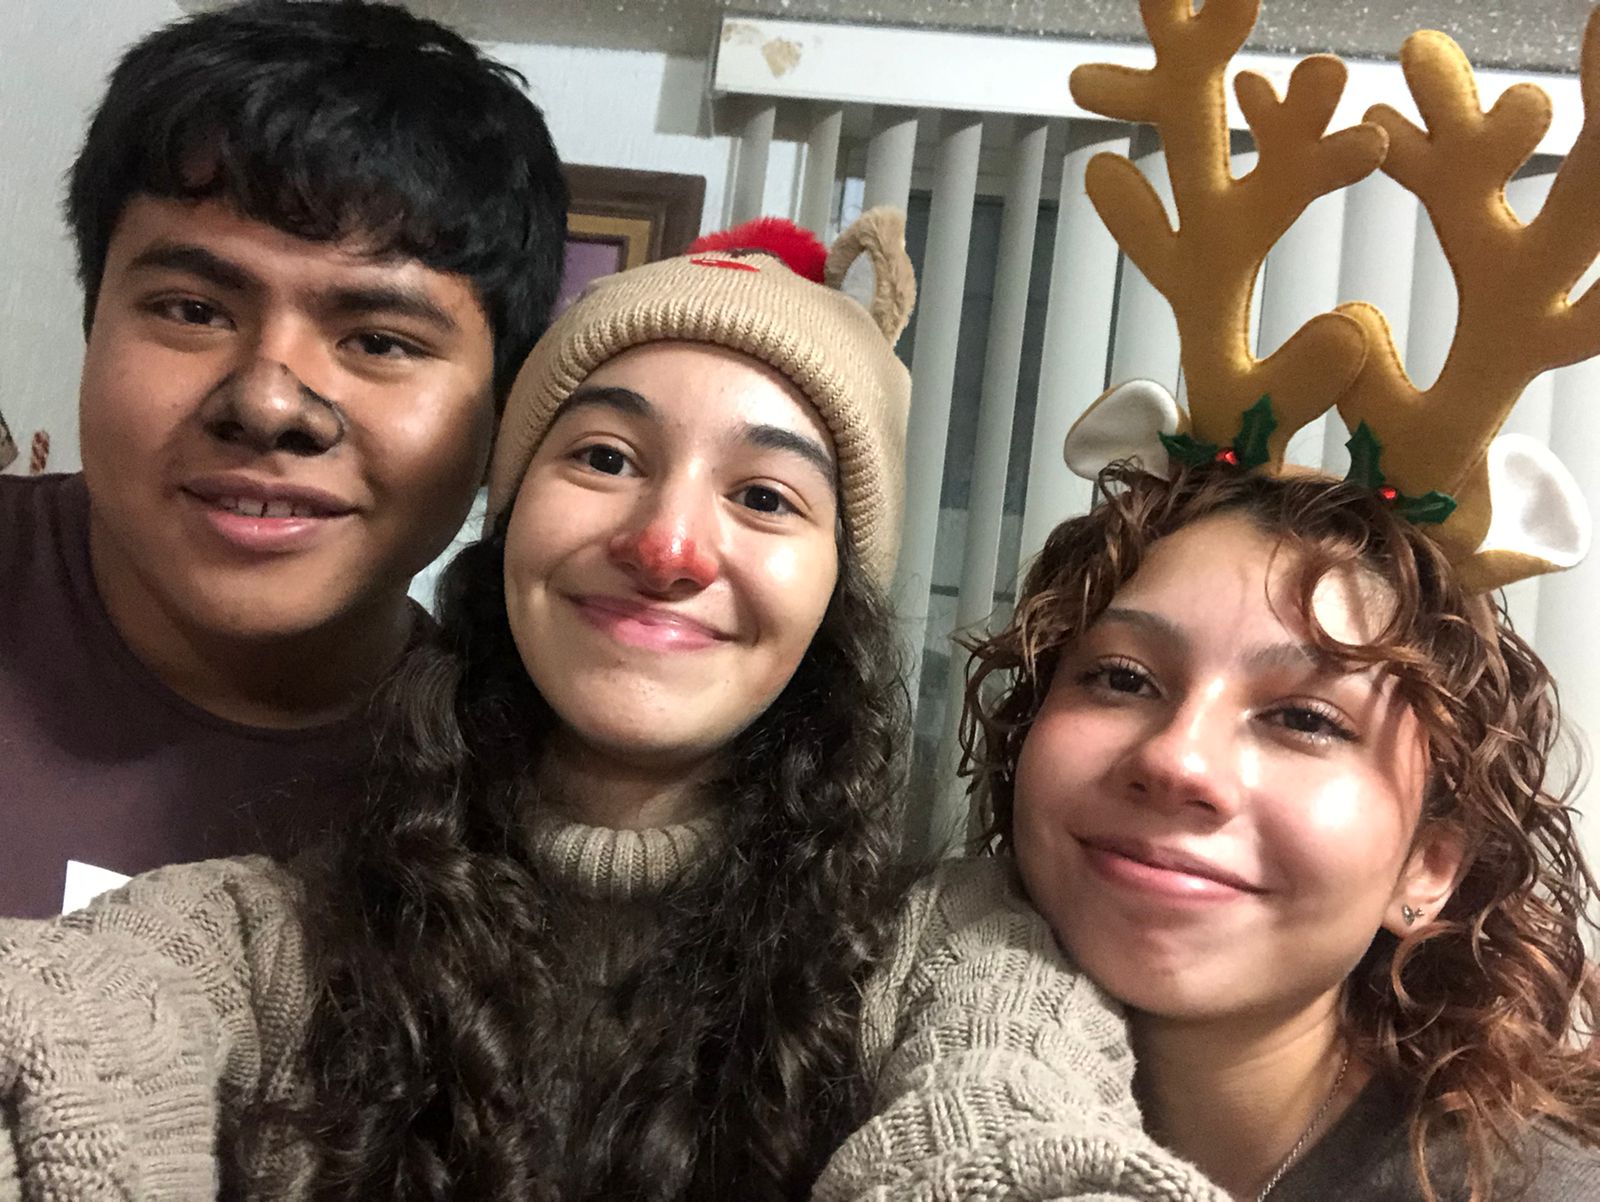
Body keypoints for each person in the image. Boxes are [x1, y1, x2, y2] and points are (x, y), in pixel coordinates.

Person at [0, 214, 1226, 1202]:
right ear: (507, 528)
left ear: (833, 599)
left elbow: (1011, 1128)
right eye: (602, 457)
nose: (667, 543)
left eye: (765, 496)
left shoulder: (945, 957)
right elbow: (71, 1041)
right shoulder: (269, 936)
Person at [0, 0, 567, 917]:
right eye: (193, 311)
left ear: (501, 407)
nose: (268, 404)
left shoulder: (524, 801)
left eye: (379, 341)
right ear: (93, 322)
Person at [963, 463, 1600, 1202]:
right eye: (1123, 678)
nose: (1175, 760)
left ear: (1427, 866)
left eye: (1304, 719)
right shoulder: (879, 1027)